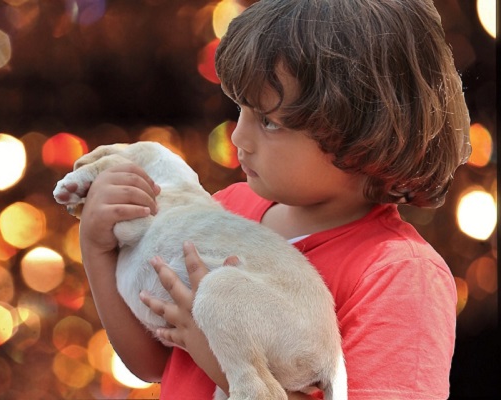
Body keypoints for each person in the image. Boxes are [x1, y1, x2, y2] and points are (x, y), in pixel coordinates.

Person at [78, 0, 471, 398]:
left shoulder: (399, 274)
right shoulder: (229, 207)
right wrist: (97, 246)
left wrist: (223, 353)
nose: (238, 138)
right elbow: (151, 361)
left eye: (269, 121)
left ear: (361, 127)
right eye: (241, 109)